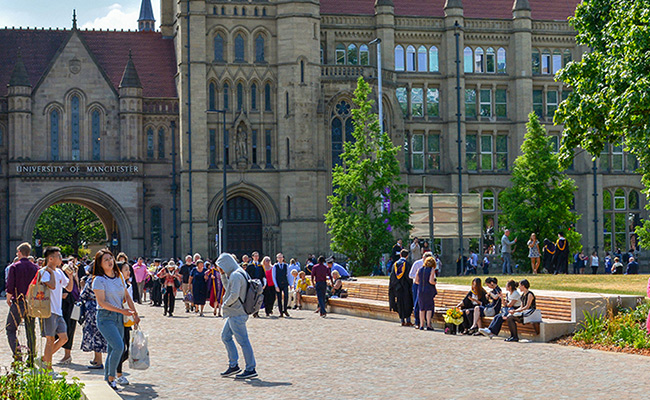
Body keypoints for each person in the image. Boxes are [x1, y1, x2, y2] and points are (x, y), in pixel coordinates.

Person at [93, 249, 139, 391]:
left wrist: (135, 313)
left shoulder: (118, 276)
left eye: (111, 258)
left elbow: (127, 295)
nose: (110, 261)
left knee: (113, 348)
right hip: (105, 317)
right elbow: (102, 303)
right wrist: (122, 310)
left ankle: (108, 379)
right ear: (100, 264)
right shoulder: (99, 280)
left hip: (119, 317)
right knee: (119, 346)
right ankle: (112, 379)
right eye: (105, 259)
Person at [217, 253, 257, 380]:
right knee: (226, 336)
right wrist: (223, 275)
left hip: (236, 313)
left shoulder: (235, 275)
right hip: (235, 312)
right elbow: (228, 288)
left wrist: (224, 304)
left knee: (243, 341)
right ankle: (233, 365)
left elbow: (233, 295)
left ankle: (250, 368)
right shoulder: (239, 272)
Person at [38, 246, 74, 376]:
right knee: (50, 339)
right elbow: (52, 285)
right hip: (48, 310)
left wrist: (71, 276)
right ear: (50, 258)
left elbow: (69, 288)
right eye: (58, 256)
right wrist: (52, 272)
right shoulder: (43, 272)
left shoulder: (58, 272)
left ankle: (44, 359)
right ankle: (48, 369)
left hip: (58, 310)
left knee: (64, 338)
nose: (60, 258)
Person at [5, 242, 38, 365]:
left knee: (10, 329)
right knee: (31, 331)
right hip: (31, 303)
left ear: (19, 252)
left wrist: (8, 299)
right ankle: (31, 358)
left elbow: (10, 285)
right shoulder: (35, 268)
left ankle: (17, 355)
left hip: (18, 302)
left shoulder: (14, 267)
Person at [80, 263, 107, 370]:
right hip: (101, 307)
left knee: (94, 333)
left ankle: (99, 360)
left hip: (91, 308)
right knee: (98, 332)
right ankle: (96, 358)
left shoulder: (91, 279)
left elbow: (83, 294)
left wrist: (82, 286)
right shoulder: (103, 279)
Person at [58, 258, 81, 365]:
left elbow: (65, 295)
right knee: (69, 330)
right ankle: (66, 355)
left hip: (68, 307)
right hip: (73, 307)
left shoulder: (69, 279)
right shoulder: (74, 279)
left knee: (67, 330)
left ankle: (67, 355)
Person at [116, 261, 133, 386]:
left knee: (128, 347)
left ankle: (114, 367)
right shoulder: (118, 285)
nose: (129, 272)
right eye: (126, 269)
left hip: (127, 319)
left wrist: (135, 316)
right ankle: (118, 373)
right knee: (122, 347)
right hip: (119, 319)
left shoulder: (128, 285)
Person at [389, 249, 414, 326]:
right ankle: (408, 320)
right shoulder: (408, 264)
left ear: (400, 255)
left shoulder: (395, 265)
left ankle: (402, 320)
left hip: (398, 288)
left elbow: (392, 277)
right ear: (407, 256)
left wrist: (394, 286)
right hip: (406, 288)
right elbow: (409, 277)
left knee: (400, 303)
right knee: (407, 303)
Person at [409, 251, 431, 329]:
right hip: (418, 285)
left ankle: (427, 322)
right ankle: (417, 322)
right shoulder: (417, 264)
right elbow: (411, 275)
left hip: (428, 286)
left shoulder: (431, 265)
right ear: (423, 258)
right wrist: (421, 277)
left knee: (428, 305)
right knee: (417, 304)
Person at [414, 256, 437, 331]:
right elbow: (431, 281)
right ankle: (429, 324)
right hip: (428, 290)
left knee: (422, 308)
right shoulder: (432, 270)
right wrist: (435, 282)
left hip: (420, 290)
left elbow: (416, 281)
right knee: (429, 308)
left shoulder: (419, 269)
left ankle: (421, 325)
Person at [272, 253, 291, 317]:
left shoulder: (286, 265)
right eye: (279, 257)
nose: (280, 259)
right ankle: (281, 312)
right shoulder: (275, 266)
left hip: (285, 283)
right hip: (278, 283)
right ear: (277, 259)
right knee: (279, 298)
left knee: (286, 296)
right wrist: (276, 286)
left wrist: (290, 284)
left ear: (283, 258)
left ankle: (285, 309)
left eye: (281, 257)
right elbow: (273, 276)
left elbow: (288, 275)